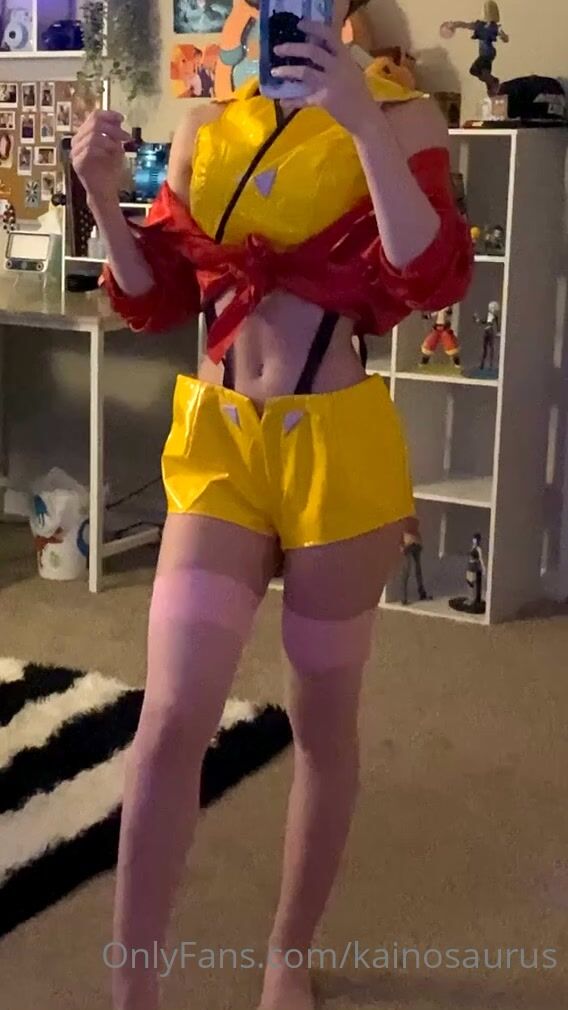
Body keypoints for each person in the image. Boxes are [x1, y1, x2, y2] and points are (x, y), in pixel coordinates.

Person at [71, 0, 473, 1006]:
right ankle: (132, 991)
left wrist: (362, 121)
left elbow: (432, 279)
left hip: (337, 451)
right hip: (220, 442)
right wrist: (104, 202)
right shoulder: (208, 118)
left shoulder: (402, 113)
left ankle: (288, 951)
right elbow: (160, 297)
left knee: (322, 724)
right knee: (170, 717)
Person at [441, 2, 509, 96]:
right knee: (481, 72)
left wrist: (503, 36)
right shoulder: (480, 26)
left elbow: (505, 38)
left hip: (488, 53)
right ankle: (491, 87)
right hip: (485, 53)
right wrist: (454, 24)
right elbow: (465, 25)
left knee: (476, 70)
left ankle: (493, 82)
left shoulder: (493, 27)